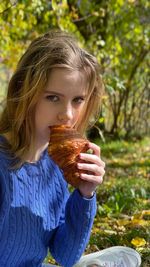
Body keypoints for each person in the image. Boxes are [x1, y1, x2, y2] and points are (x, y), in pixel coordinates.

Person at [0, 30, 141, 267]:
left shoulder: (53, 164)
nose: (66, 114)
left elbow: (65, 256)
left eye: (77, 100)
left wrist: (85, 195)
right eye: (53, 97)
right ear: (25, 93)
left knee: (127, 258)